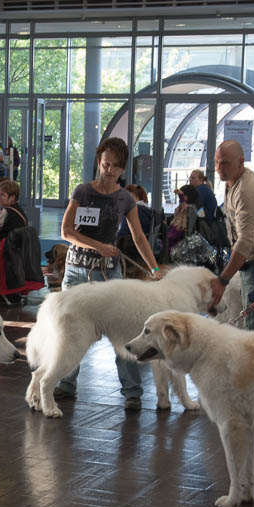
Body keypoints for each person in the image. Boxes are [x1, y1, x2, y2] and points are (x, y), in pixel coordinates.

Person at [53, 137, 162, 411]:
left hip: (107, 274)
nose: (109, 171)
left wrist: (155, 269)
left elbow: (138, 237)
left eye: (115, 167)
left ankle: (132, 392)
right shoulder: (82, 192)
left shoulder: (125, 198)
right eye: (105, 164)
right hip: (77, 271)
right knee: (72, 331)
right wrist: (99, 246)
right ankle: (67, 383)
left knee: (122, 331)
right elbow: (66, 232)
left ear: (123, 170)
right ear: (98, 162)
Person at [208, 140, 254, 328]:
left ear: (241, 162)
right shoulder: (232, 182)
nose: (219, 168)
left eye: (224, 163)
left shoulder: (246, 191)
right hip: (253, 257)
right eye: (216, 162)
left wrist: (223, 280)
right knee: (253, 313)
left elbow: (246, 241)